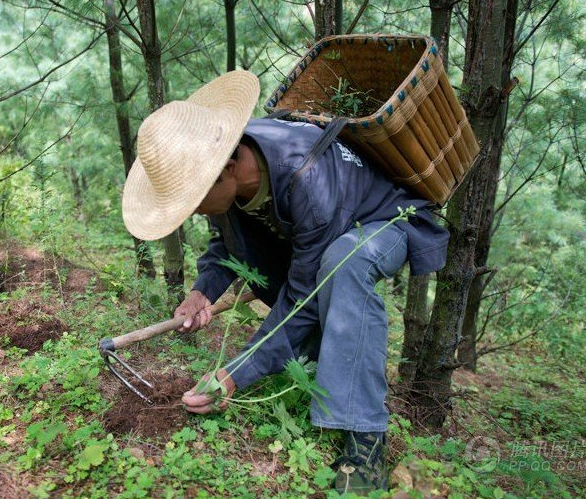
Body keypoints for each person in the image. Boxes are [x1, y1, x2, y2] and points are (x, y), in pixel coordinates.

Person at [121, 70, 448, 494]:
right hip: (321, 235)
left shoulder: (305, 178)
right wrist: (202, 289)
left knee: (343, 263)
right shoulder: (224, 166)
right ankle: (320, 363)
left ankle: (365, 442)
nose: (194, 212)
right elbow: (227, 245)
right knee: (321, 266)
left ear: (230, 169)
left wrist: (239, 370)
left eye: (194, 199)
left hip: (387, 221)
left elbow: (303, 297)